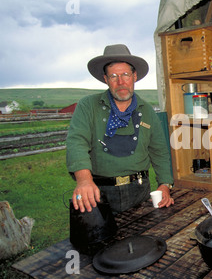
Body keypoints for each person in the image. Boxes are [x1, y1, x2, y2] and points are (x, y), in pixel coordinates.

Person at [66, 44, 174, 214]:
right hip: (98, 193)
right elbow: (77, 142)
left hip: (140, 191)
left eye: (125, 75)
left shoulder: (146, 110)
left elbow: (159, 151)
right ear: (106, 79)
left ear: (134, 76)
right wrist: (84, 181)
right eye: (114, 76)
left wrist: (165, 185)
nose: (121, 82)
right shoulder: (88, 106)